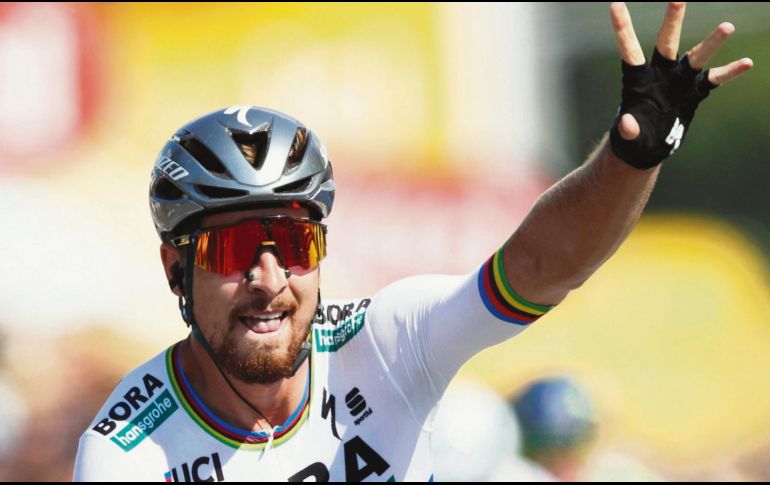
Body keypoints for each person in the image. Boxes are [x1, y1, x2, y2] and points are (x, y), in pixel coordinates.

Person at [73, 3, 752, 481]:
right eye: (234, 248)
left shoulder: (385, 342)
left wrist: (630, 159)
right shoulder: (128, 451)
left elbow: (544, 264)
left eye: (293, 241)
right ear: (174, 268)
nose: (269, 275)